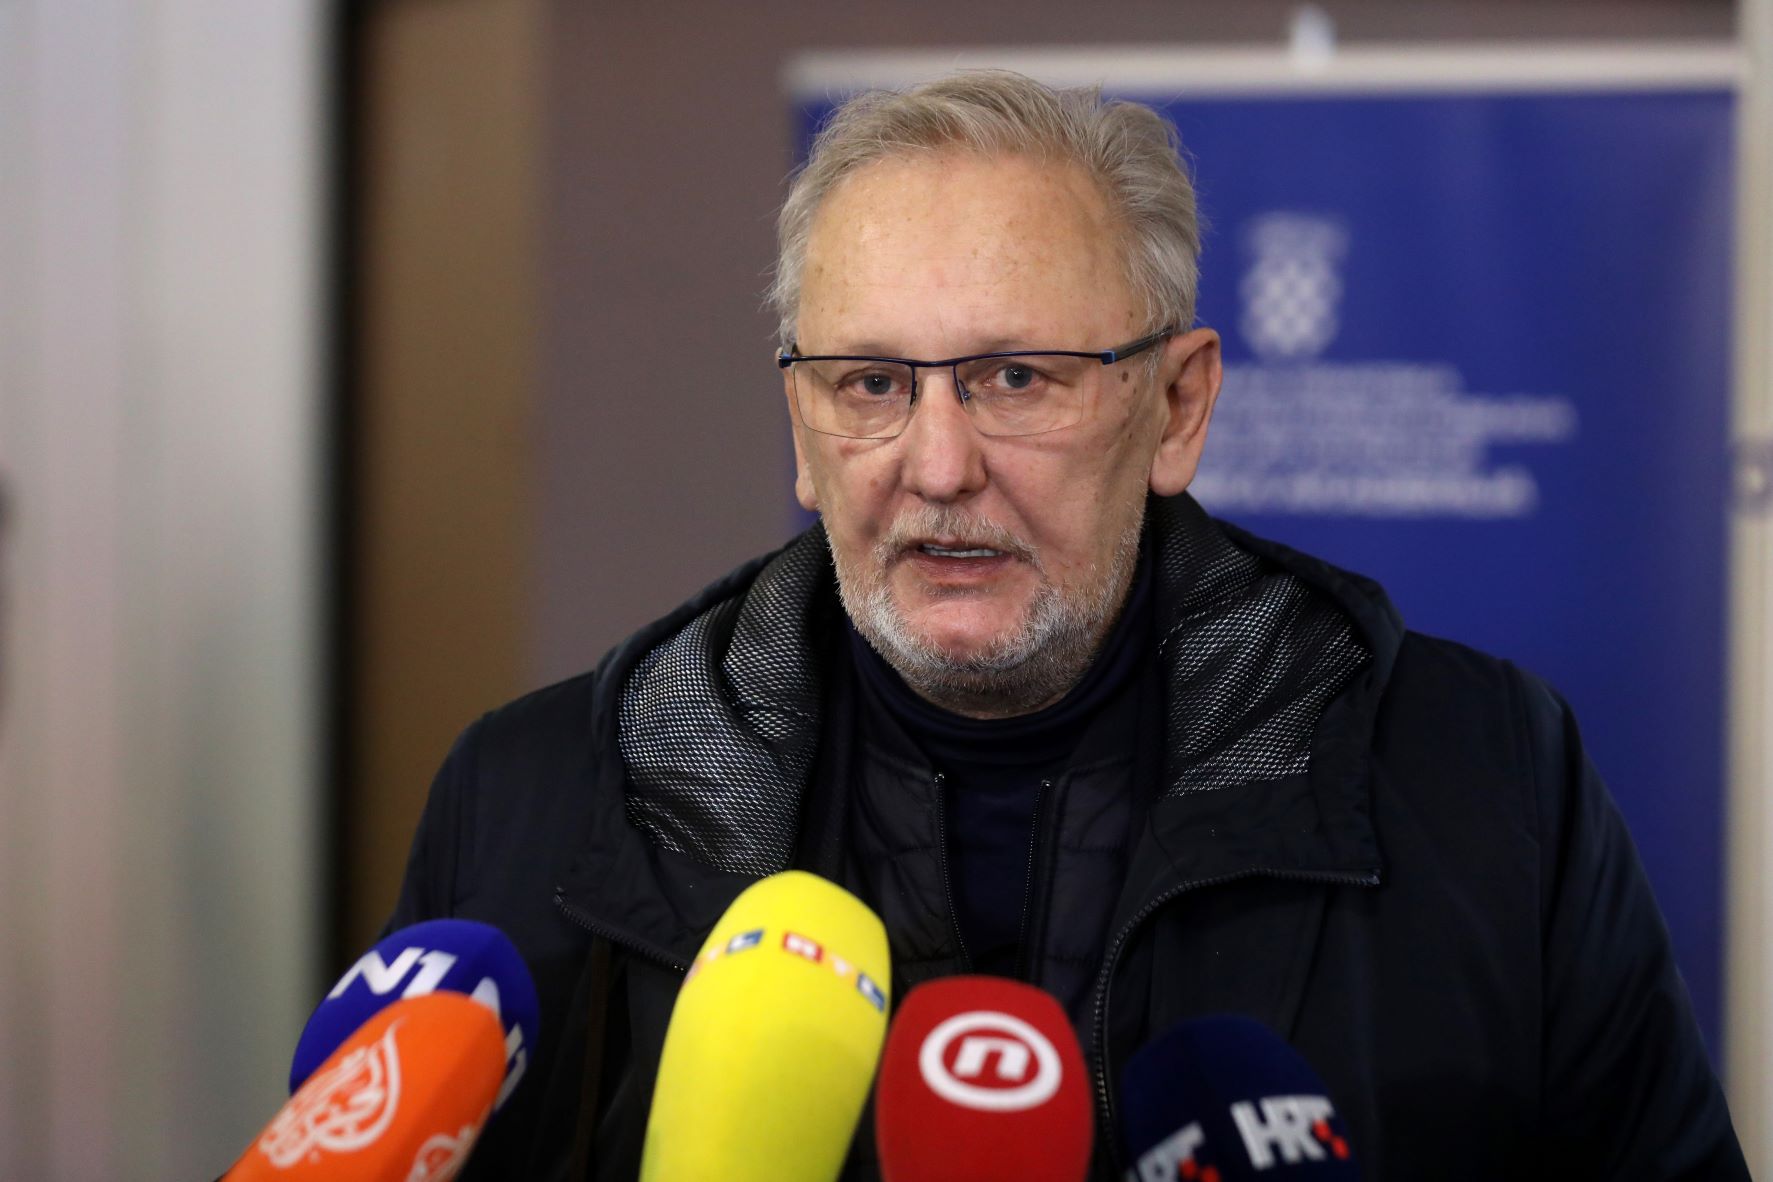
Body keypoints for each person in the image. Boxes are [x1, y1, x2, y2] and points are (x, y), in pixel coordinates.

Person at [386, 71, 1745, 1178]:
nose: (936, 466)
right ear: (800, 424)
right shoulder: (536, 797)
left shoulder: (1487, 781)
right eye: (870, 383)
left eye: (1016, 377)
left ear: (1177, 407)